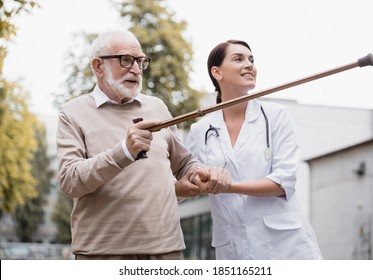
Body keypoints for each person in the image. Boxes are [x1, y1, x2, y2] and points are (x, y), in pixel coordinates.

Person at [56, 30, 230, 260]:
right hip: (102, 255)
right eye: (126, 60)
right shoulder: (72, 112)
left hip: (166, 252)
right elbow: (70, 181)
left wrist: (200, 173)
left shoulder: (157, 106)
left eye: (140, 61)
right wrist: (125, 151)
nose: (136, 69)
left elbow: (184, 162)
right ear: (98, 66)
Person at [185, 40, 323, 260]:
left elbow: (283, 182)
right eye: (239, 59)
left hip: (287, 247)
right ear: (217, 72)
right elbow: (186, 180)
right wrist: (197, 181)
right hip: (233, 249)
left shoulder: (277, 115)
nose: (249, 64)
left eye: (251, 60)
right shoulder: (200, 129)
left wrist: (227, 186)